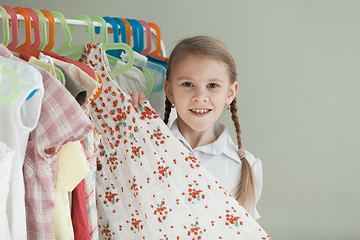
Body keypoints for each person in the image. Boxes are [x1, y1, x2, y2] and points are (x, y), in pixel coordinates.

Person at [131, 36, 263, 219]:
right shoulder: (149, 148)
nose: (200, 96)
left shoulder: (244, 167)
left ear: (230, 93)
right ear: (170, 91)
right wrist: (127, 114)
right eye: (188, 84)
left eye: (212, 85)